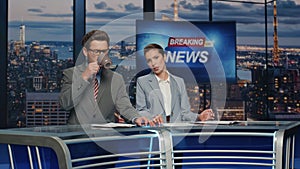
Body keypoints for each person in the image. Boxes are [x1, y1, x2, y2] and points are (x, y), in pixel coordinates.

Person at [59, 30, 153, 126]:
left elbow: (124, 106)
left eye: (104, 51)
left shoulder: (116, 79)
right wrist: (85, 76)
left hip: (105, 137)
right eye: (96, 51)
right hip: (77, 136)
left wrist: (136, 118)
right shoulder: (70, 74)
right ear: (85, 52)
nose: (101, 55)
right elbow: (65, 104)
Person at [136, 43, 215, 124]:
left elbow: (185, 113)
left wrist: (199, 117)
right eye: (149, 60)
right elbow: (141, 110)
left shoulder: (179, 81)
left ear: (164, 57)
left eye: (156, 58)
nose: (153, 63)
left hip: (176, 132)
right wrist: (152, 118)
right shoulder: (142, 81)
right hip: (153, 131)